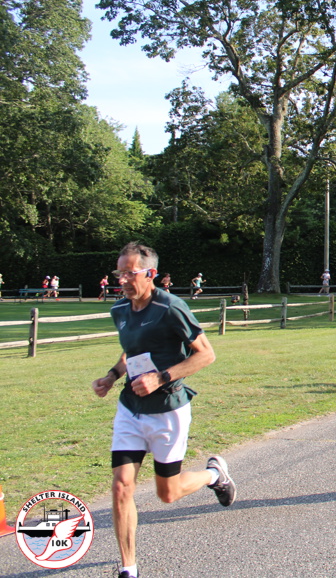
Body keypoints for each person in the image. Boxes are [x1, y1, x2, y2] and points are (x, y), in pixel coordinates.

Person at [90, 243, 234, 578]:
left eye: (130, 273)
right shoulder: (120, 309)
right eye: (119, 273)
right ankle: (128, 568)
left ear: (150, 273)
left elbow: (206, 354)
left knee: (167, 493)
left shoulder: (170, 307)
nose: (122, 280)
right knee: (121, 485)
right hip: (131, 408)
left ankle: (215, 475)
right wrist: (111, 377)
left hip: (168, 410)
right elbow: (131, 352)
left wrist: (161, 378)